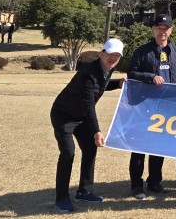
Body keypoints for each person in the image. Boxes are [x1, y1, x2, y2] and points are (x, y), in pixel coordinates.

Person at [50, 38, 124, 213]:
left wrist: (118, 83)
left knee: (90, 148)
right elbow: (89, 103)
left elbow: (101, 85)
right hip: (64, 116)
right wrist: (96, 131)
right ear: (102, 53)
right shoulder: (88, 73)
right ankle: (61, 198)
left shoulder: (106, 69)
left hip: (81, 116)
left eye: (117, 55)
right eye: (110, 54)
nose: (113, 58)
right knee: (68, 153)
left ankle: (84, 191)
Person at [126, 14, 176, 199]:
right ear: (153, 30)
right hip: (144, 106)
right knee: (139, 147)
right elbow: (132, 73)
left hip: (165, 107)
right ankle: (136, 185)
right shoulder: (142, 51)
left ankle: (154, 182)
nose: (162, 31)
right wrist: (150, 77)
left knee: (158, 146)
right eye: (159, 28)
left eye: (165, 28)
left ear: (171, 31)